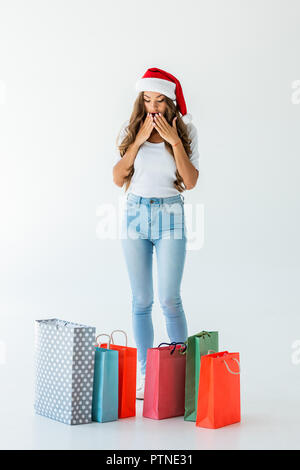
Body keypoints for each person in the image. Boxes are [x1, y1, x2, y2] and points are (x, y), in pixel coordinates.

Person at [112, 67, 199, 399]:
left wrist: (174, 141)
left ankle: (180, 376)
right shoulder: (131, 128)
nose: (152, 108)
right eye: (146, 100)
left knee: (169, 299)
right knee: (141, 301)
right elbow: (119, 177)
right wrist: (136, 141)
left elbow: (189, 182)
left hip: (170, 216)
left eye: (159, 101)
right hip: (135, 214)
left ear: (170, 102)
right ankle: (147, 375)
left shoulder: (185, 129)